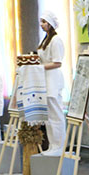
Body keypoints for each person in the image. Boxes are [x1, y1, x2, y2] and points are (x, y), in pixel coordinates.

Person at [38, 11, 66, 155]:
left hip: (53, 80)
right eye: (41, 21)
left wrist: (39, 67)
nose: (41, 24)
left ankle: (59, 146)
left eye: (44, 22)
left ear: (50, 24)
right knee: (48, 116)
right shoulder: (45, 40)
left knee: (56, 115)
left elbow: (57, 62)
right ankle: (52, 146)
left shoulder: (56, 40)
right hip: (45, 80)